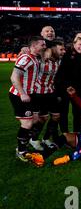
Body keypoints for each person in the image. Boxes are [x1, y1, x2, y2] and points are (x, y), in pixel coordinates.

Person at [9, 36, 47, 164]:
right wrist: (22, 93)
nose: (44, 46)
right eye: (42, 44)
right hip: (20, 95)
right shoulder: (26, 58)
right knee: (27, 124)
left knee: (36, 120)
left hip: (30, 94)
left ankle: (25, 141)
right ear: (34, 45)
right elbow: (14, 77)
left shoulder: (34, 57)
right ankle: (21, 151)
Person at [28, 40, 66, 151]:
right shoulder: (41, 57)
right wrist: (24, 49)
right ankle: (33, 139)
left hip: (50, 92)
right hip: (39, 93)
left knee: (56, 116)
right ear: (53, 49)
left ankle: (46, 138)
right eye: (61, 49)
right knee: (41, 119)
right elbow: (31, 50)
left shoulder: (58, 60)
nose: (63, 52)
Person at [56, 35, 81, 134]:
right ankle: (66, 134)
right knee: (64, 113)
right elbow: (61, 74)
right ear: (74, 44)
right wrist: (66, 86)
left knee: (80, 112)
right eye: (79, 44)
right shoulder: (67, 55)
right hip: (66, 89)